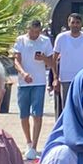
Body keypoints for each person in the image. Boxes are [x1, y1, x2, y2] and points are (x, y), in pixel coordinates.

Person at [12, 17, 55, 151]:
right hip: (23, 83)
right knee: (24, 114)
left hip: (39, 82)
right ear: (28, 29)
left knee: (37, 114)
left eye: (37, 32)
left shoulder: (45, 41)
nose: (35, 35)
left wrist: (44, 58)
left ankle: (34, 146)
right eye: (32, 32)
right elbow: (16, 61)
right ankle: (28, 141)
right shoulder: (20, 40)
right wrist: (23, 73)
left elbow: (52, 63)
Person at [52, 13, 83, 115]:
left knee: (81, 107)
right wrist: (55, 78)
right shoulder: (61, 38)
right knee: (66, 108)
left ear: (81, 24)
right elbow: (54, 59)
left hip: (82, 78)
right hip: (65, 79)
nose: (75, 25)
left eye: (77, 22)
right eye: (73, 22)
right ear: (69, 23)